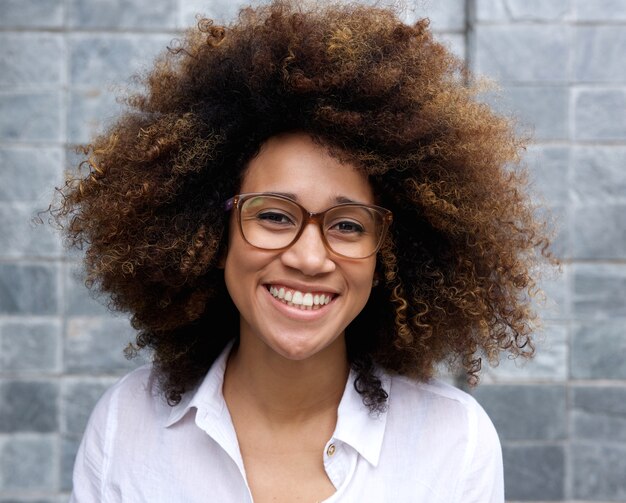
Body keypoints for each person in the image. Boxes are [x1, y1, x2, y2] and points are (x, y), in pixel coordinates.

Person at [50, 1, 557, 501]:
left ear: (387, 258)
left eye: (348, 225)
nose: (310, 259)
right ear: (212, 234)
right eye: (273, 216)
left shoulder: (454, 443)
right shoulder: (125, 427)